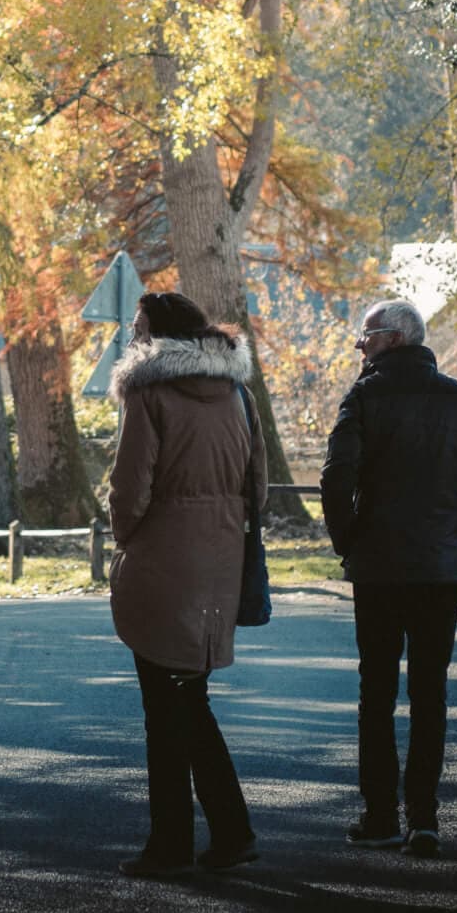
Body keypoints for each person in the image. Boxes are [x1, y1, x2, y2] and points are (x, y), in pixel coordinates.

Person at [320, 298, 457, 858]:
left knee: (375, 693)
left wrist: (348, 541)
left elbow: (337, 478)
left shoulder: (362, 398)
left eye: (367, 337)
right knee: (430, 694)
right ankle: (424, 820)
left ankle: (380, 815)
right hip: (438, 571)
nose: (360, 347)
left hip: (378, 571)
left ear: (395, 339)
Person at [107, 289, 268, 879]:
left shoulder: (148, 394)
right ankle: (230, 832)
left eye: (138, 325)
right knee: (189, 699)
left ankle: (173, 844)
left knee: (165, 708)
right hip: (220, 558)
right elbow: (260, 483)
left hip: (161, 559)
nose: (132, 336)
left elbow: (130, 489)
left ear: (160, 334)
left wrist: (128, 540)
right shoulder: (238, 394)